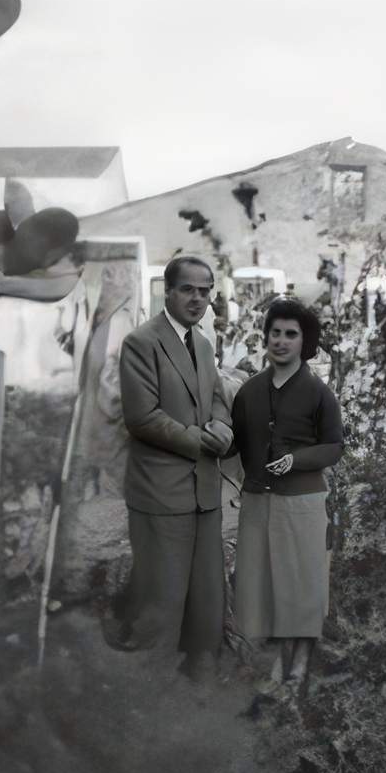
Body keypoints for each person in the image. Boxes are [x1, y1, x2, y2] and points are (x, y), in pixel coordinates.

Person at [114, 256, 233, 680]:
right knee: (160, 584)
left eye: (205, 291)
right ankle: (143, 660)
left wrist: (223, 427)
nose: (198, 299)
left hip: (203, 484)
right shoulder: (141, 343)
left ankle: (201, 665)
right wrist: (201, 441)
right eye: (188, 290)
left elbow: (217, 397)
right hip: (160, 486)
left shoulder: (203, 343)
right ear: (167, 292)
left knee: (206, 584)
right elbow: (142, 418)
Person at [230, 298, 343, 691]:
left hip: (302, 503)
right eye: (275, 333)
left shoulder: (318, 393)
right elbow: (234, 443)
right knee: (265, 585)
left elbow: (334, 447)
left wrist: (297, 460)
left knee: (301, 584)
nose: (280, 340)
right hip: (258, 503)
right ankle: (277, 660)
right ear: (265, 337)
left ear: (303, 341)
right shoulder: (248, 392)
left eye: (290, 334)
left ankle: (298, 668)